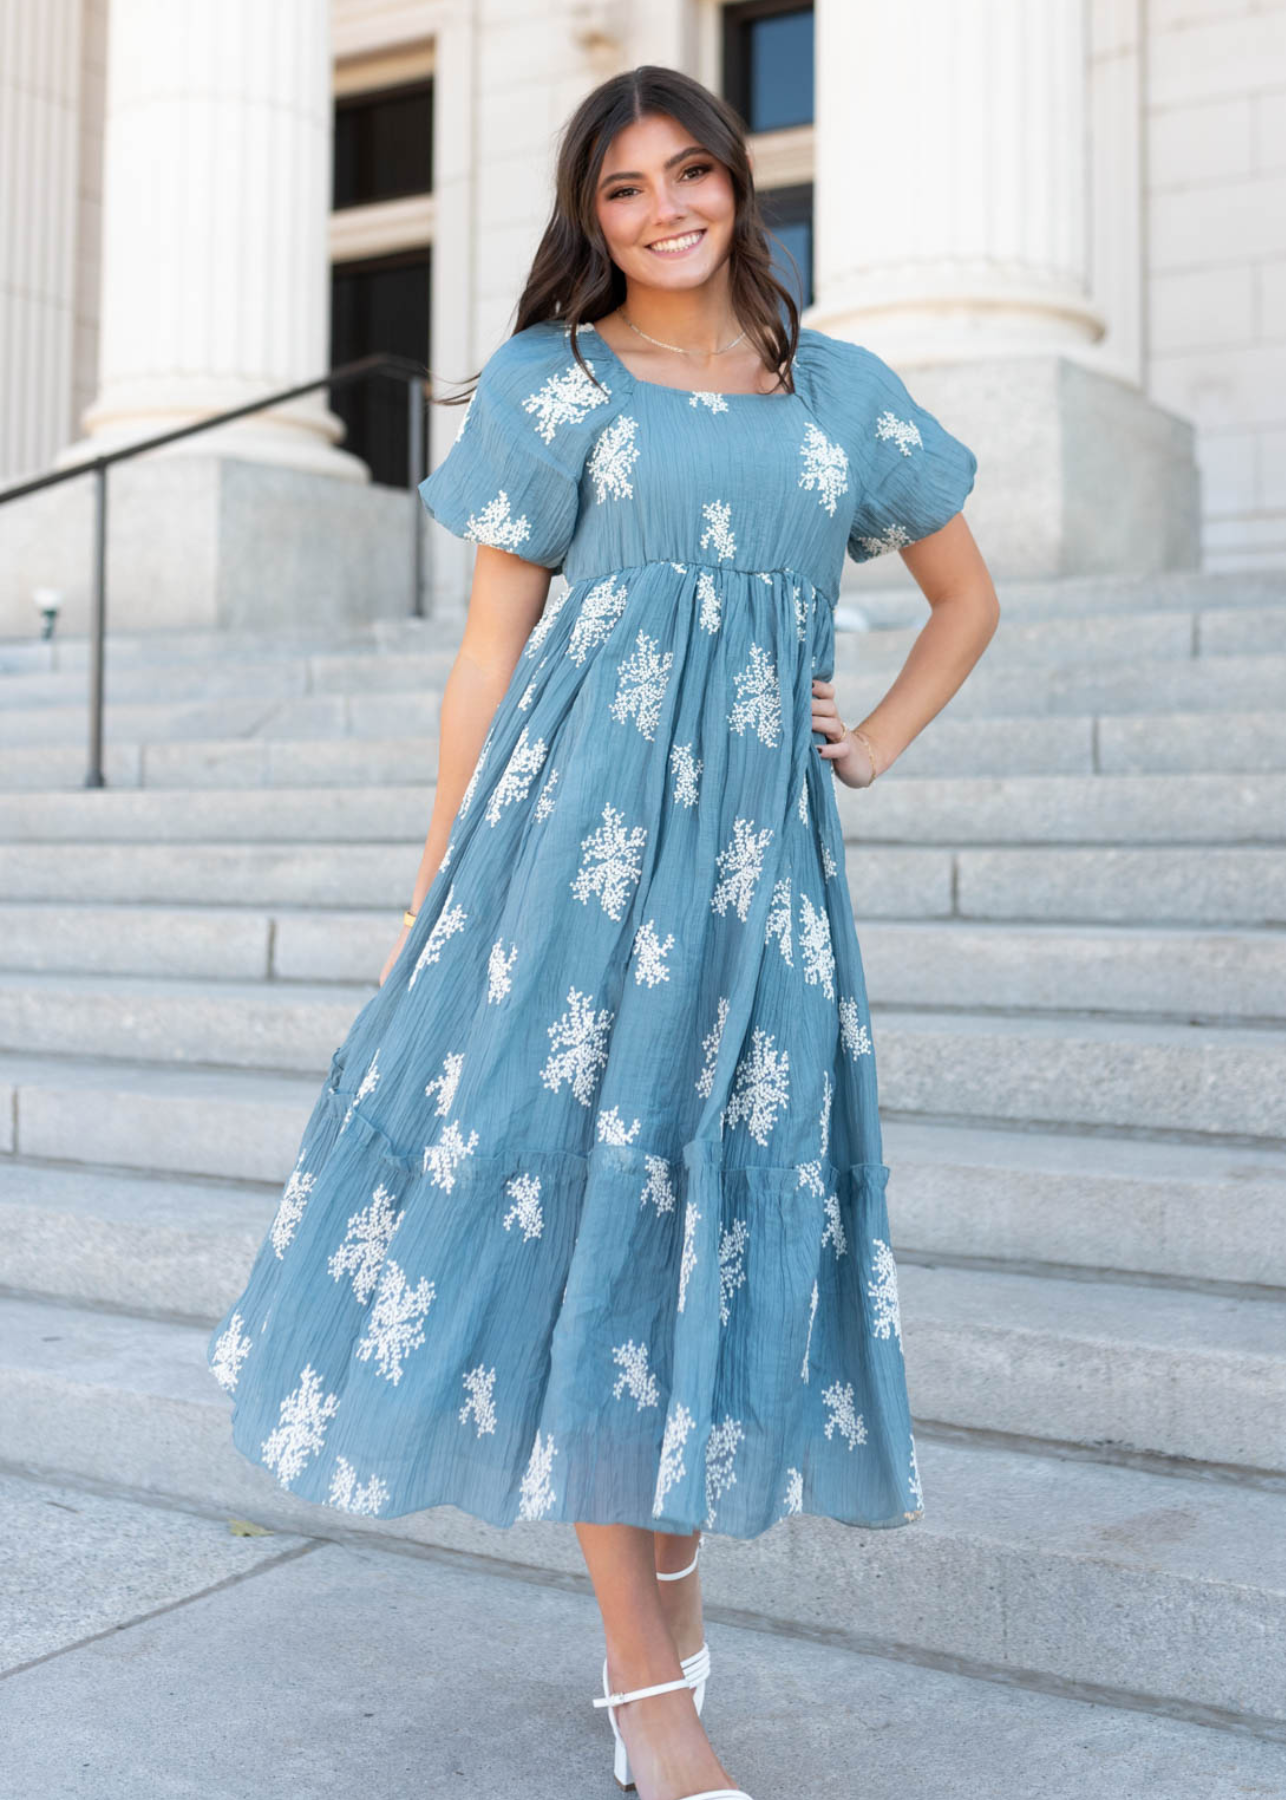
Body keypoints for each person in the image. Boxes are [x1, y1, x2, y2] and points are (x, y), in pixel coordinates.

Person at [206, 64, 998, 1800]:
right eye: (623, 190)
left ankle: (676, 1614)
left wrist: (870, 739)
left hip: (759, 882)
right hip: (565, 864)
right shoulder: (553, 387)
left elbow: (965, 596)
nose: (662, 212)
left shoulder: (841, 393)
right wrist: (442, 870)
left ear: (736, 184)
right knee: (580, 1208)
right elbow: (487, 652)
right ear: (590, 216)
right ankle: (648, 1692)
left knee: (697, 1211)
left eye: (688, 173)